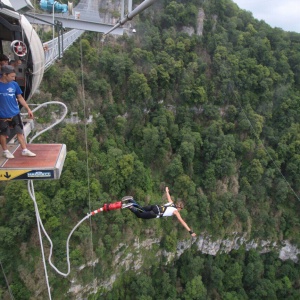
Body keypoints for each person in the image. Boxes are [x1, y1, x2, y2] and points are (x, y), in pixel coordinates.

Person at [122, 187, 197, 237]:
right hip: (155, 213)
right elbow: (182, 222)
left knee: (141, 209)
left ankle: (131, 200)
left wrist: (167, 190)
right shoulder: (176, 212)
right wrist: (190, 231)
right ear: (179, 208)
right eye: (181, 209)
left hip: (155, 206)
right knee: (139, 215)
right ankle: (130, 206)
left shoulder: (171, 203)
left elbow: (168, 195)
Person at [0, 65, 36, 159]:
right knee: (4, 133)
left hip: (15, 112)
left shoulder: (14, 84)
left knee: (19, 131)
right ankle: (5, 150)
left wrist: (28, 108)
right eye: (11, 76)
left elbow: (19, 97)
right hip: (2, 115)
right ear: (4, 75)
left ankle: (24, 150)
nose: (14, 78)